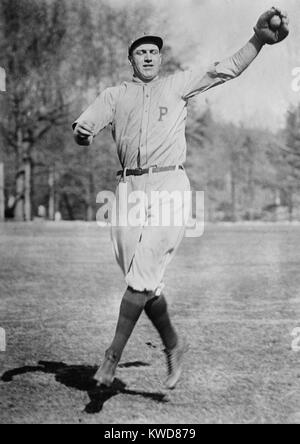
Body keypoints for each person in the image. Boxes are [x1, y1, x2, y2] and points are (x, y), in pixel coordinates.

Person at [73, 8, 289, 390]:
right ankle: (174, 344)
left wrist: (258, 40)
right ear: (131, 60)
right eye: (141, 52)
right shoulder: (114, 95)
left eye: (154, 51)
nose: (149, 57)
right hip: (127, 190)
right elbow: (84, 125)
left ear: (161, 57)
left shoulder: (177, 86)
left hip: (170, 184)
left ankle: (111, 358)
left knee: (142, 276)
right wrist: (84, 134)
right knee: (144, 283)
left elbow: (228, 68)